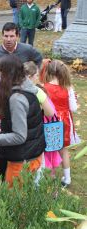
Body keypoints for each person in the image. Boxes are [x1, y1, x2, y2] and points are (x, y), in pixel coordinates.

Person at [0, 54, 46, 187]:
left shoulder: (17, 99)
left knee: (14, 200)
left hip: (22, 162)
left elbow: (20, 136)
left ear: (7, 74)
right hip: (31, 153)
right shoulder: (27, 89)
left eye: (0, 74)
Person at [41, 59, 79, 187]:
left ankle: (50, 176)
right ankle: (67, 178)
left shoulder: (44, 87)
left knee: (49, 149)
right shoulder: (68, 88)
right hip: (64, 122)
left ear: (49, 70)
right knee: (63, 150)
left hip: (49, 121)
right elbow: (73, 108)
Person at [24, 61, 62, 175]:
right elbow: (50, 113)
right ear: (30, 76)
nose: (37, 78)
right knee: (37, 163)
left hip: (17, 131)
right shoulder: (37, 91)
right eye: (36, 75)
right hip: (34, 131)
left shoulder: (12, 88)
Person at [0, 22, 42, 90]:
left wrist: (36, 75)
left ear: (17, 36)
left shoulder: (27, 49)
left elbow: (40, 59)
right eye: (6, 36)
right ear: (2, 36)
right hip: (3, 92)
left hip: (23, 91)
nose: (8, 39)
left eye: (11, 36)